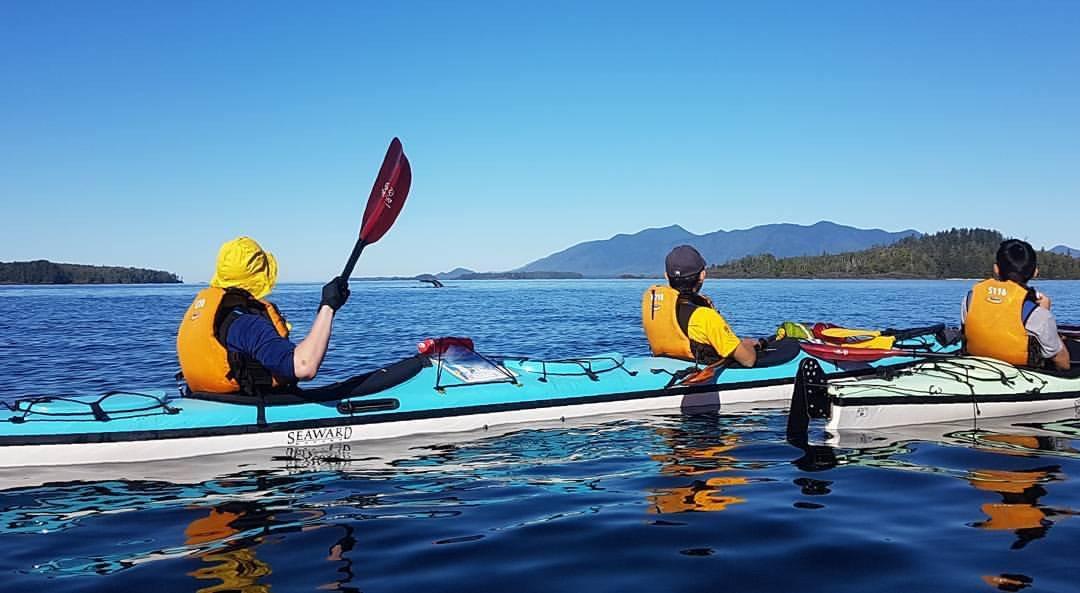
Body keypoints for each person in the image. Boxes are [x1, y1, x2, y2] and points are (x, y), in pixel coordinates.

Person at [177, 236, 351, 394]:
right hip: (253, 409)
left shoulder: (213, 314)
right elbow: (304, 366)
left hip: (214, 401)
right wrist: (328, 306)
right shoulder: (247, 324)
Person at [642, 245, 762, 367]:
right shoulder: (705, 316)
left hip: (668, 366)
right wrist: (747, 343)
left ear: (667, 276)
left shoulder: (656, 310)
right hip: (700, 374)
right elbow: (748, 360)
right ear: (702, 275)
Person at [962, 239, 1074, 371]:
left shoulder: (970, 298)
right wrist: (1044, 312)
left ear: (996, 269)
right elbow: (1061, 360)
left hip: (977, 367)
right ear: (1035, 272)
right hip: (1022, 374)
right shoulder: (1036, 313)